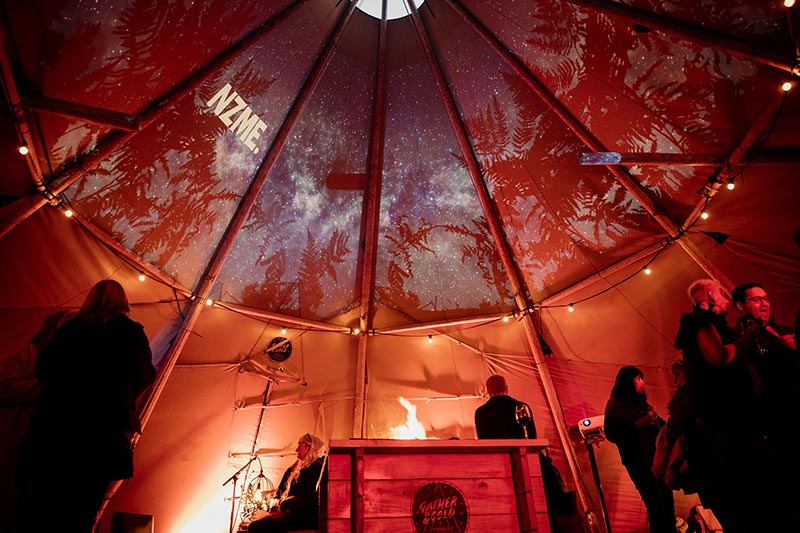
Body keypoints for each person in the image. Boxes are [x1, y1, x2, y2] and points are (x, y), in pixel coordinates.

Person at [12, 280, 156, 533]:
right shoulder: (131, 333)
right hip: (101, 439)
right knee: (82, 511)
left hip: (53, 433)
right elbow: (145, 375)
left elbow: (45, 371)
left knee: (39, 508)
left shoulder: (68, 331)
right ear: (123, 303)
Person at [674, 278, 787, 533]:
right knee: (743, 500)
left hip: (734, 423)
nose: (724, 299)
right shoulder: (701, 323)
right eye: (719, 294)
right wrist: (746, 340)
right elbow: (719, 357)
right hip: (723, 429)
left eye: (765, 299)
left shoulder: (716, 325)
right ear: (709, 297)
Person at [730, 282, 800, 527]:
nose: (764, 304)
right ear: (740, 306)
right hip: (767, 429)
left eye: (766, 298)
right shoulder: (736, 342)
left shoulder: (785, 332)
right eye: (756, 300)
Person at [0, 310, 75, 531]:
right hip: (17, 441)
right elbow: (3, 387)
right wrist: (45, 391)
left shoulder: (72, 366)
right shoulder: (30, 353)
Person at [604, 366, 676, 533]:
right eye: (637, 379)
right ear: (627, 383)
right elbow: (612, 433)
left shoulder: (641, 404)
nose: (642, 382)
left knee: (666, 499)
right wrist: (637, 425)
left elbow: (662, 425)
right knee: (654, 501)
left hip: (655, 459)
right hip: (637, 461)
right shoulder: (615, 405)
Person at [248, 433, 327, 533]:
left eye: (300, 445)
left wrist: (284, 506)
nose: (296, 449)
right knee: (255, 524)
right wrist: (276, 506)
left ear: (309, 447)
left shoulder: (316, 468)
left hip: (303, 517)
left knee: (257, 527)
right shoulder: (295, 468)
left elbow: (309, 497)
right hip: (291, 513)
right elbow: (282, 490)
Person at [474, 374, 536, 439]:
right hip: (520, 448)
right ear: (506, 388)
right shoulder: (522, 407)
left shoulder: (480, 412)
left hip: (493, 449)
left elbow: (482, 440)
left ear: (489, 392)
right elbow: (532, 436)